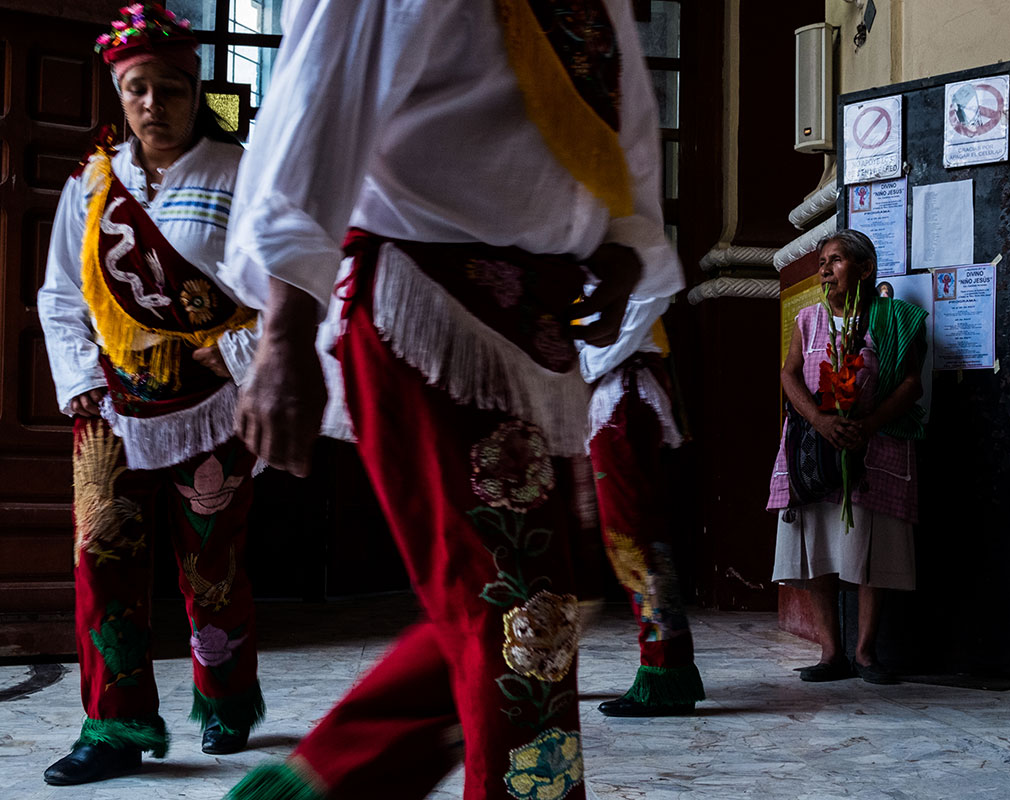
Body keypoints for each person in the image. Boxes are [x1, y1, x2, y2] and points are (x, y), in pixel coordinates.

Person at [216, 1, 683, 798]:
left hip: (535, 310)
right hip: (428, 296)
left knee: (544, 597)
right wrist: (283, 336)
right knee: (520, 608)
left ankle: (320, 784)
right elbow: (314, 116)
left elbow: (620, 124)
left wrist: (627, 242)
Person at [36, 3, 265, 786]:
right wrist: (80, 384)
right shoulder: (93, 181)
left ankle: (226, 699)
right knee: (102, 563)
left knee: (211, 565)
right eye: (137, 89)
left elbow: (284, 290)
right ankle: (114, 724)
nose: (152, 104)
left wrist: (230, 348)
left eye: (168, 88)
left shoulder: (240, 176)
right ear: (118, 94)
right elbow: (61, 291)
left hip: (209, 402)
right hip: (111, 403)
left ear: (194, 89)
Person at [766, 230, 927, 685]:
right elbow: (789, 375)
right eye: (821, 263)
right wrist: (821, 421)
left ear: (866, 269)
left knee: (868, 548)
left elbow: (911, 382)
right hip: (817, 448)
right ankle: (830, 653)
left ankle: (865, 653)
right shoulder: (807, 319)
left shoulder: (894, 318)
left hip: (873, 445)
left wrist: (869, 425)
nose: (824, 270)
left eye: (835, 260)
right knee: (818, 543)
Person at [580, 304, 705, 717]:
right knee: (636, 540)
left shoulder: (629, 261)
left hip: (622, 395)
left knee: (635, 542)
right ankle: (668, 665)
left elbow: (612, 339)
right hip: (619, 396)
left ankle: (666, 670)